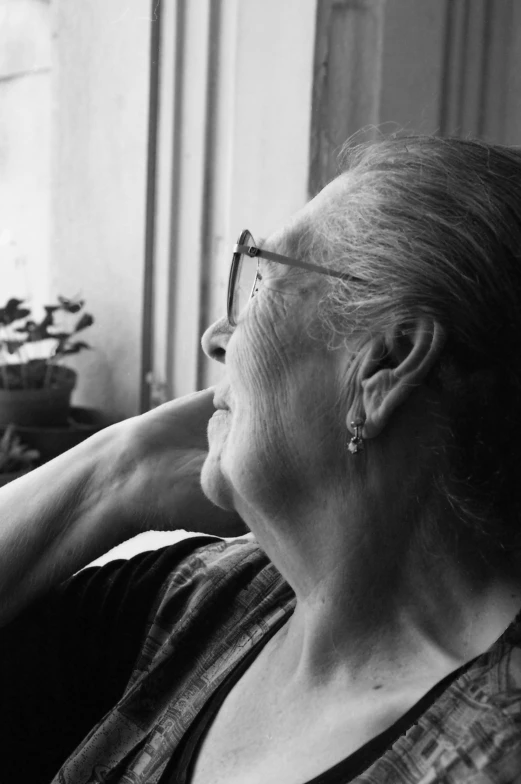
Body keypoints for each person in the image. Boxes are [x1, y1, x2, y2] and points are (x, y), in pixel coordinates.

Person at [2, 134, 521, 784]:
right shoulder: (208, 603)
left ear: (385, 363)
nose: (216, 338)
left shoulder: (491, 754)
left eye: (261, 282)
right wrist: (114, 471)